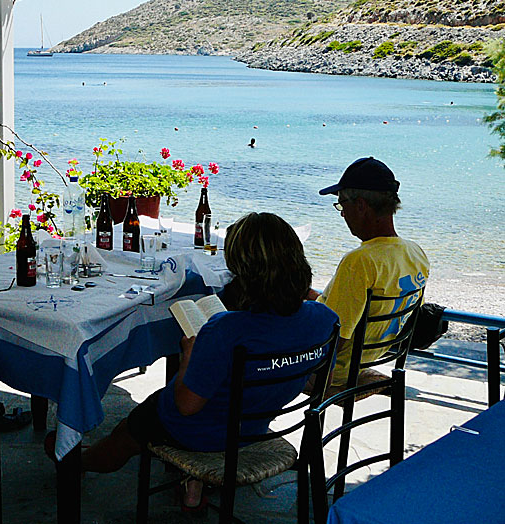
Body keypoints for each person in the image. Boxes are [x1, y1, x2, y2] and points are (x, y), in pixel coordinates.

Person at [74, 212, 338, 508]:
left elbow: (186, 406)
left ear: (244, 271)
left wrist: (188, 358)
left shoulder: (226, 329)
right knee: (216, 388)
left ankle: (77, 463)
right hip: (254, 425)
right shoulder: (325, 319)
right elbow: (314, 380)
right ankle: (194, 485)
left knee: (129, 431)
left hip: (199, 432)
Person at [314, 157, 429, 388]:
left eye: (342, 204)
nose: (342, 214)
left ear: (360, 206)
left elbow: (335, 336)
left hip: (336, 370)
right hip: (369, 358)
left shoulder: (360, 261)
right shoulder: (416, 253)